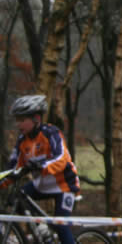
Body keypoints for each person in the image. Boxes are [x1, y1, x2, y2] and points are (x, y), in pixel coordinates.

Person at [3, 94, 80, 244]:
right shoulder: (22, 141)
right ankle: (42, 230)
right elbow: (12, 169)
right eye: (17, 120)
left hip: (64, 185)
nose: (18, 124)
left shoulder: (50, 133)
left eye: (22, 120)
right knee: (17, 199)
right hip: (41, 185)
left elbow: (62, 158)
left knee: (61, 226)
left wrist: (41, 165)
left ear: (36, 118)